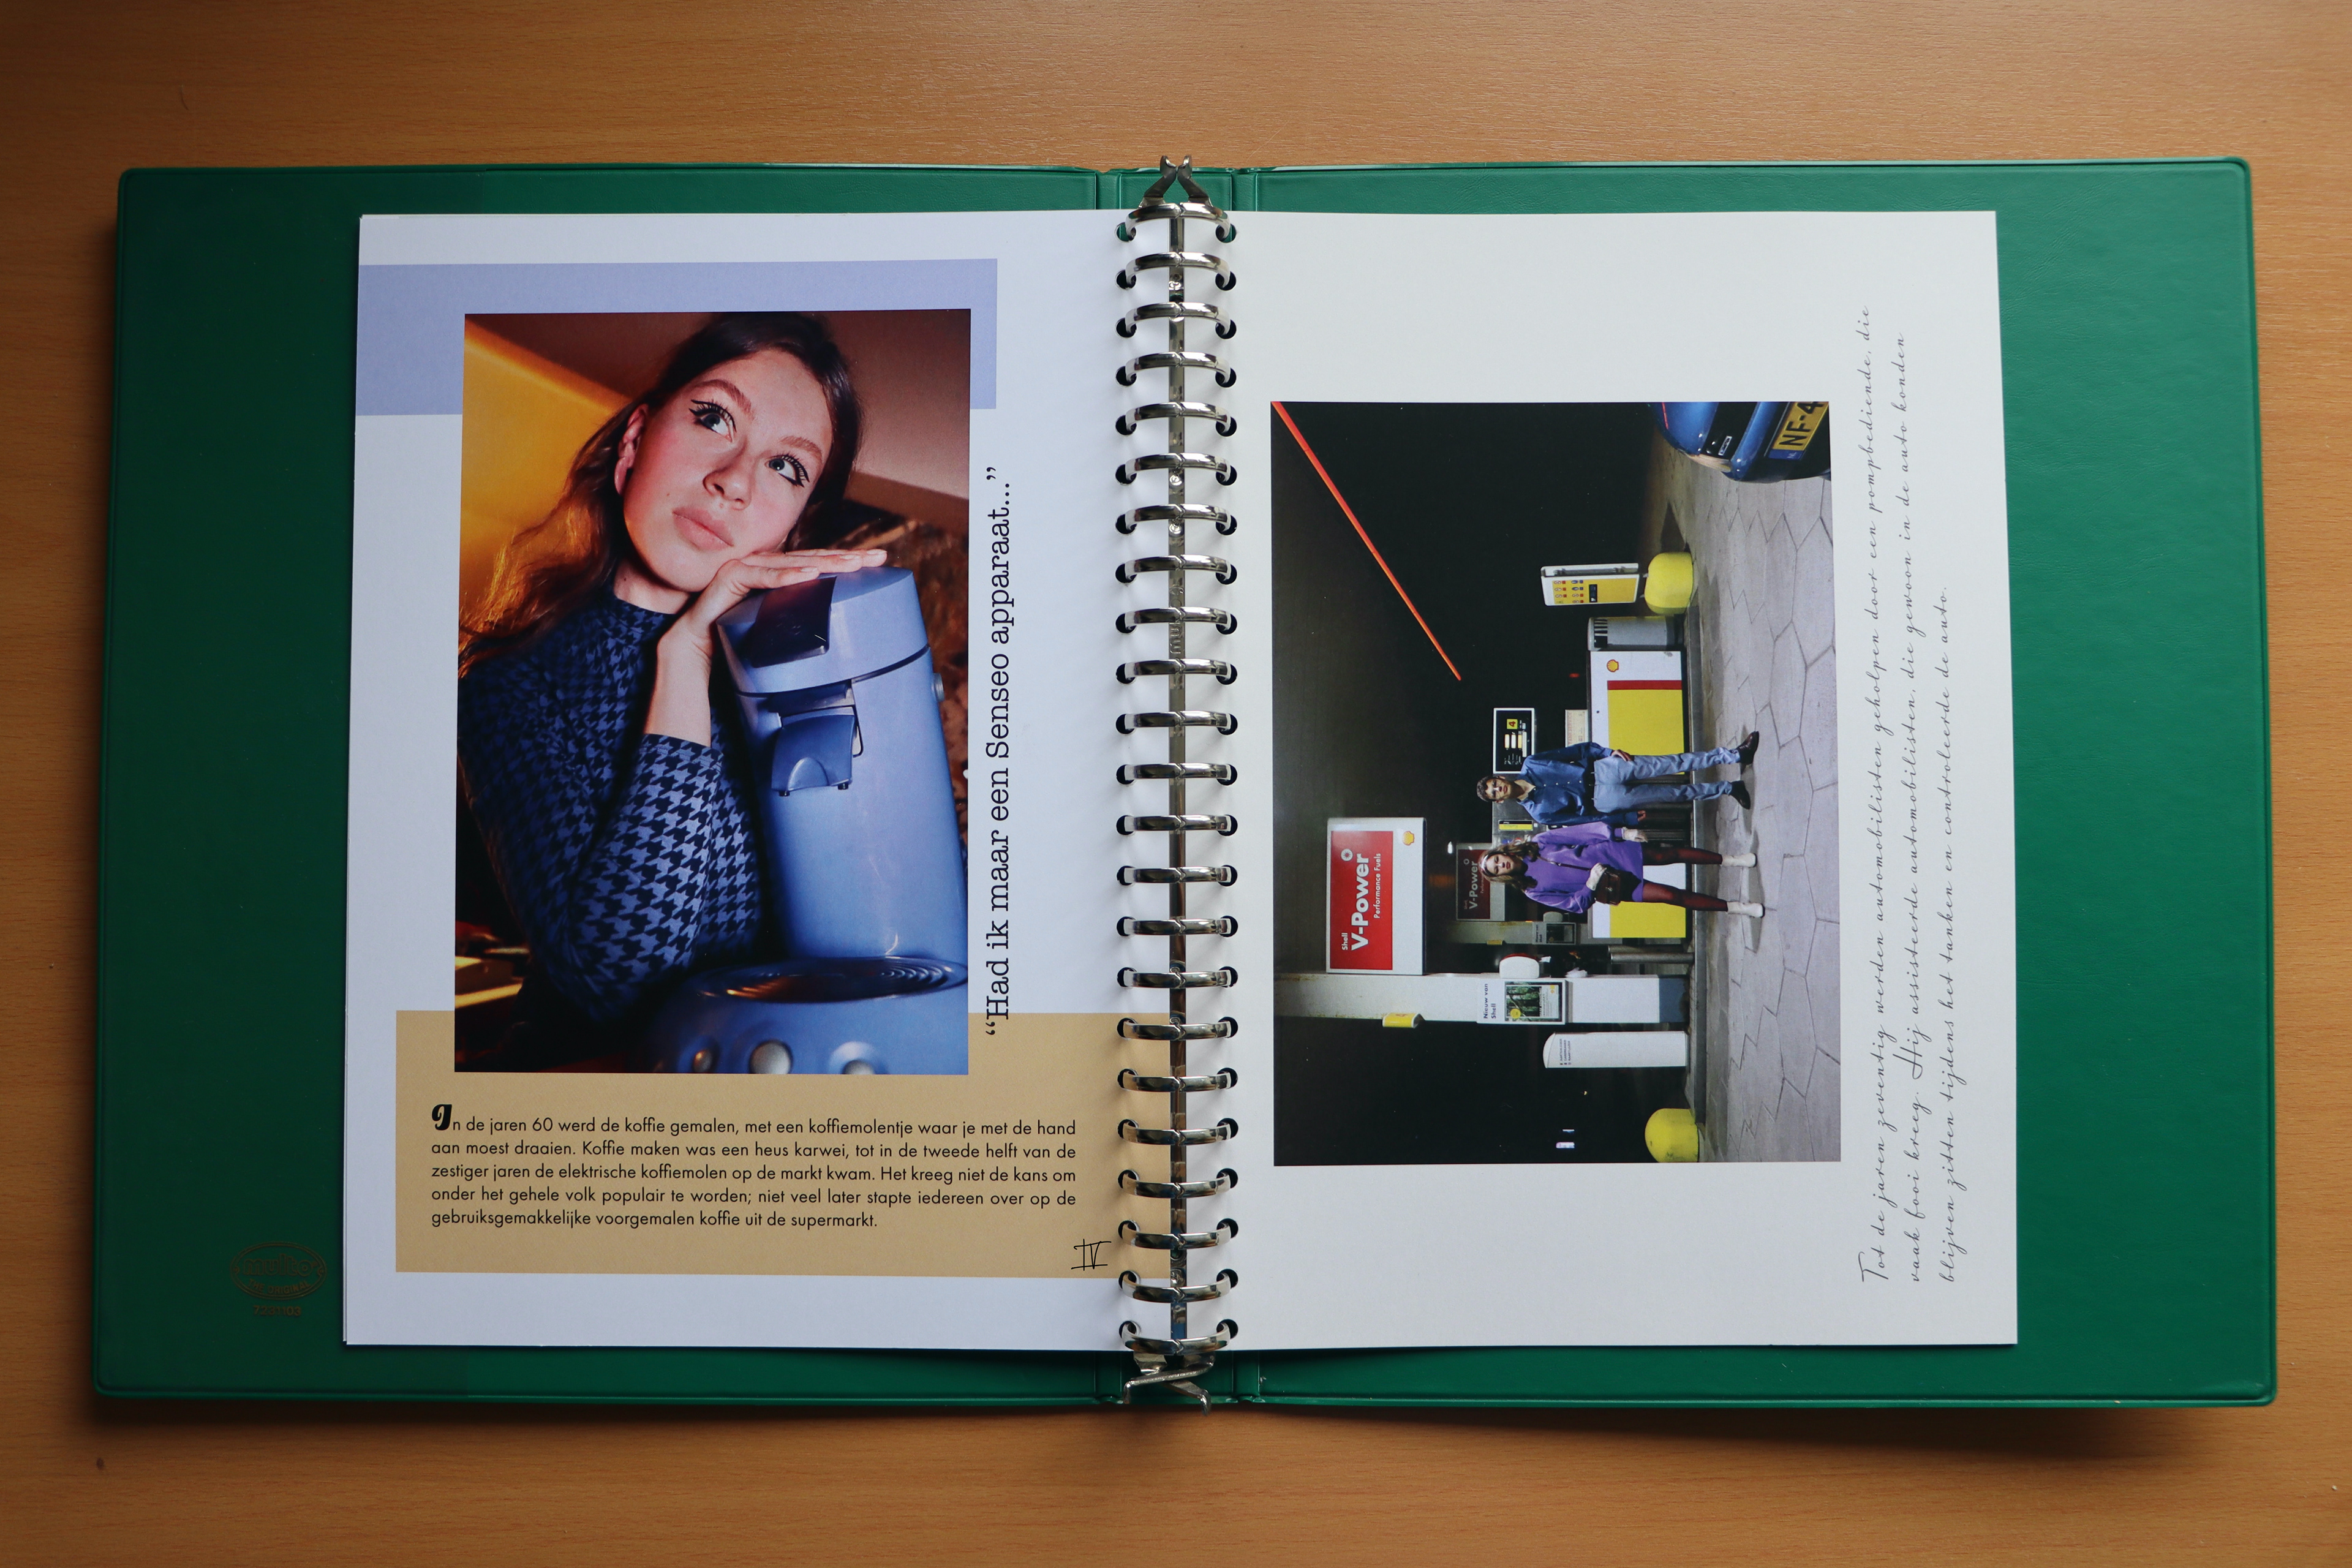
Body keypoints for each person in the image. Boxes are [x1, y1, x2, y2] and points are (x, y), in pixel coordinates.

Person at [457, 312, 886, 1065]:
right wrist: (683, 655)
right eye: (714, 418)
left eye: (787, 467)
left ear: (793, 527)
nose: (734, 480)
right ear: (634, 443)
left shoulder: (799, 686)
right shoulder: (508, 683)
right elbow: (623, 983)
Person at [1480, 823, 1764, 918]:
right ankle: (1737, 907)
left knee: (1671, 854)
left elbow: (1582, 833)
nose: (1501, 864)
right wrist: (1590, 886)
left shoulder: (1539, 842)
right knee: (1671, 896)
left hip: (1613, 853)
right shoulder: (1532, 890)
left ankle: (1731, 860)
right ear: (1501, 876)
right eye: (1496, 869)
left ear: (1503, 852)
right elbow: (1573, 905)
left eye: (1498, 859)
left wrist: (1620, 832)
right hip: (1611, 883)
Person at [1476, 731, 1759, 824]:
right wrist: (1625, 819)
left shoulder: (1533, 763)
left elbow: (1576, 751)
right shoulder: (1540, 814)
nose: (1498, 789)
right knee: (1674, 795)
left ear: (1500, 777)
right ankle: (1730, 788)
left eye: (1494, 784)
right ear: (1499, 801)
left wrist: (1607, 752)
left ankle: (1735, 755)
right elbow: (1584, 821)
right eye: (1494, 793)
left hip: (1604, 769)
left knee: (1673, 762)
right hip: (1604, 800)